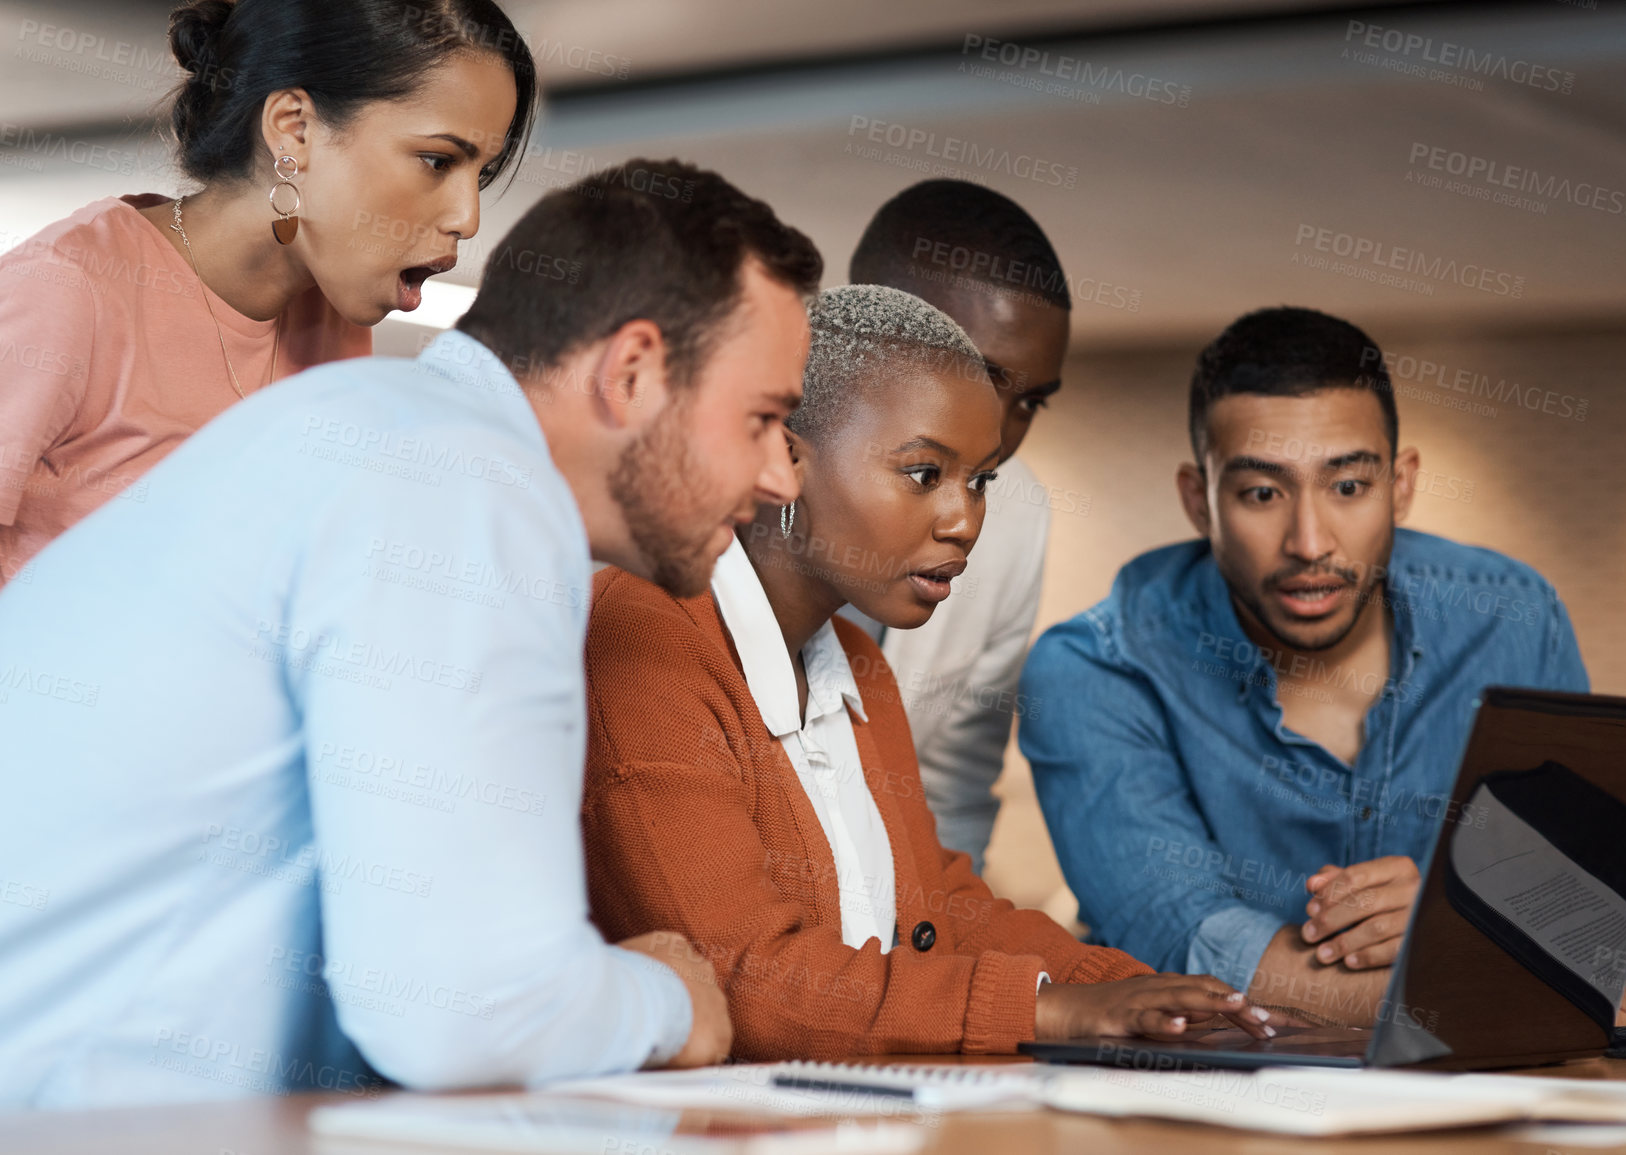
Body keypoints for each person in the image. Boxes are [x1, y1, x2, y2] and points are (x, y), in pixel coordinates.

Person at [0, 158, 819, 1108]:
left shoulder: (377, 433)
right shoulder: (459, 482)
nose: (781, 479)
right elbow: (459, 1009)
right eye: (763, 419)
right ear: (630, 371)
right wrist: (670, 1000)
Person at [581, 284, 1274, 1061]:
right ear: (783, 457)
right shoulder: (642, 634)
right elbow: (740, 974)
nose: (964, 520)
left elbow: (935, 906)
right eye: (923, 474)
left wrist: (1146, 994)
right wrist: (1050, 1009)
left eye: (978, 480)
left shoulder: (860, 664)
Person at [1020, 306, 1626, 1028]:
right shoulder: (1093, 668)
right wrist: (1500, 966)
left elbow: (1577, 906)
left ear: (1399, 484)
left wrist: (1462, 913)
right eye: (1261, 493)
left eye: (1346, 486)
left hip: (1475, 1096)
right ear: (1198, 501)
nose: (1309, 542)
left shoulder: (1513, 617)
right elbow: (1189, 944)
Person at [0, 0, 540, 585]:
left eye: (480, 174)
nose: (468, 217)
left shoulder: (334, 322)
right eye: (437, 161)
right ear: (294, 128)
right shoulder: (65, 289)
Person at [843, 180, 1071, 872]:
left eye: (1029, 400)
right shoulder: (711, 495)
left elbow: (949, 786)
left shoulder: (1017, 515)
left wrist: (938, 959)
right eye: (977, 372)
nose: (999, 435)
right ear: (860, 331)